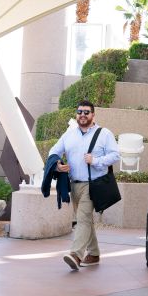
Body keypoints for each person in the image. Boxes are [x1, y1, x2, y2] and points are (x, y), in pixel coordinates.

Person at [48, 99, 120, 270]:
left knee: (82, 219)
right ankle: (94, 254)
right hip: (74, 185)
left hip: (93, 184)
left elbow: (115, 155)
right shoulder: (69, 135)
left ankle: (76, 255)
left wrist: (95, 160)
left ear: (93, 115)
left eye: (86, 112)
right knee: (85, 220)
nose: (82, 115)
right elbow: (54, 151)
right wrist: (58, 164)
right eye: (79, 112)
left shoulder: (104, 134)